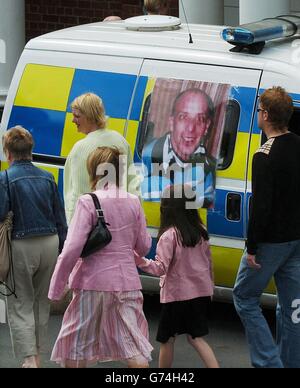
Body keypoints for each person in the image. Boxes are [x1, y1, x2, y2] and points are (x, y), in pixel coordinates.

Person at [48, 146, 153, 368]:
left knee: (77, 344)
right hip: (127, 283)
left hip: (92, 282)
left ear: (94, 170)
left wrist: (57, 287)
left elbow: (71, 249)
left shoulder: (88, 202)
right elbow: (143, 246)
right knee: (132, 344)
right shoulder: (134, 201)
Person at [233, 86, 300, 369]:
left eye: (260, 110)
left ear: (266, 115)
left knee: (244, 297)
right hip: (297, 240)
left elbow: (261, 207)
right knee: (292, 307)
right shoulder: (298, 143)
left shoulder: (264, 155)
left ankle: (268, 362)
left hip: (271, 243)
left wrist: (252, 247)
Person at [0, 126, 67, 368]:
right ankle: (37, 354)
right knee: (41, 301)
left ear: (8, 152)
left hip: (21, 244)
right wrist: (63, 254)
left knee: (20, 303)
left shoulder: (5, 178)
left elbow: (0, 213)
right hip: (50, 243)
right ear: (31, 150)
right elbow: (60, 217)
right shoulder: (48, 177)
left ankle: (30, 360)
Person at [135, 184, 219, 368]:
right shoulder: (201, 231)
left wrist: (139, 260)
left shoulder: (169, 236)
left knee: (167, 340)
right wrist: (210, 287)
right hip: (200, 292)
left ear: (167, 208)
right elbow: (209, 263)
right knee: (196, 337)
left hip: (176, 296)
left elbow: (159, 268)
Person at [64, 92, 140, 224]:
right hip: (120, 223)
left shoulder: (80, 148)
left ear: (90, 116)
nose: (73, 120)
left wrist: (72, 228)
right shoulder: (120, 141)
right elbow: (132, 183)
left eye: (77, 116)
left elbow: (76, 194)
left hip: (92, 227)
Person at [142, 88, 216, 207]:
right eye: (183, 117)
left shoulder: (209, 169)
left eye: (199, 119)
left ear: (206, 126)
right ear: (171, 122)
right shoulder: (147, 155)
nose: (191, 128)